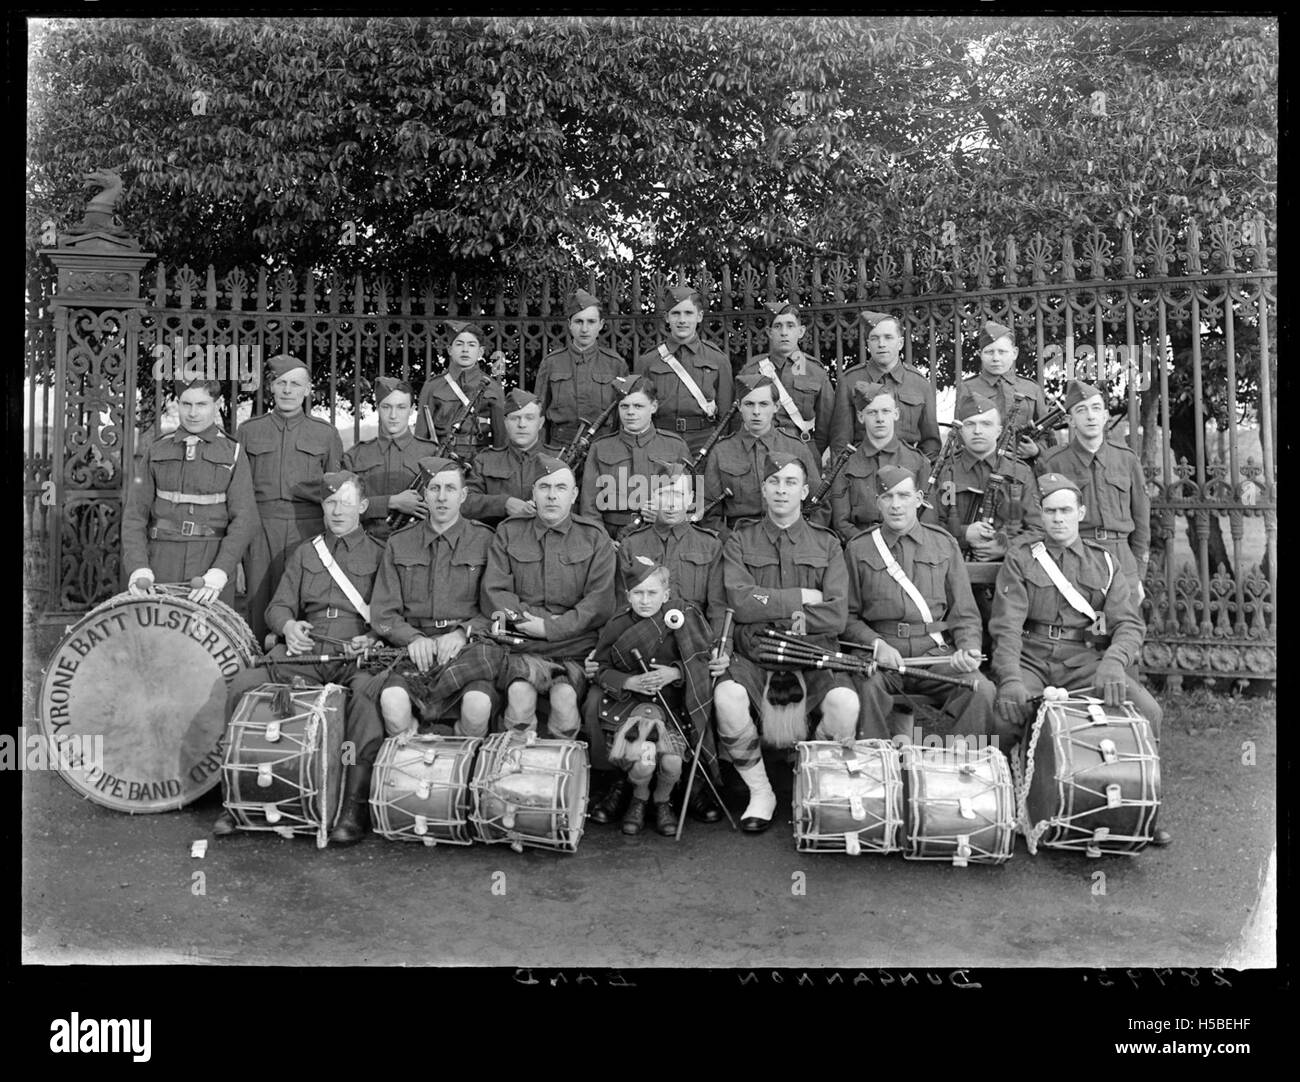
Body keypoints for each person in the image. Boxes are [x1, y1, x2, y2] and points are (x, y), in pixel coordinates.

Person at [987, 473, 1170, 845]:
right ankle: (1004, 808)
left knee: (1148, 712)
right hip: (1032, 657)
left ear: (1080, 512)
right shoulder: (1022, 559)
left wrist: (1114, 662)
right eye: (1051, 511)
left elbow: (1129, 625)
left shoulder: (1104, 562)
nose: (1058, 518)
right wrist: (1009, 678)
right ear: (1041, 513)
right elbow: (1006, 627)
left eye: (1066, 510)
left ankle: (1141, 811)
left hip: (1084, 661)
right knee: (1004, 716)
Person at [214, 471, 386, 845]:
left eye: (345, 501)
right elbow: (278, 607)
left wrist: (371, 638)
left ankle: (352, 808)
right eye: (329, 502)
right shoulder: (306, 552)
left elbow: (391, 615)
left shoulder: (381, 555)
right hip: (305, 654)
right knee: (244, 684)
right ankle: (235, 797)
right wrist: (289, 626)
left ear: (363, 506)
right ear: (321, 506)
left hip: (353, 655)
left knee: (368, 702)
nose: (337, 510)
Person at [712, 452, 860, 832]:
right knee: (727, 698)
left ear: (804, 491)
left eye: (790, 483)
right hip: (756, 653)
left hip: (813, 654)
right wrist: (800, 597)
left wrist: (772, 611)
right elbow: (739, 602)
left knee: (845, 704)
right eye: (774, 483)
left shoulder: (827, 544)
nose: (781, 490)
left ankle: (807, 780)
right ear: (763, 489)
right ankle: (761, 792)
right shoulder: (740, 541)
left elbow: (835, 615)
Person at [608, 460, 726, 822]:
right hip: (639, 651)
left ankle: (695, 784)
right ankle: (625, 783)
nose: (671, 502)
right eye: (663, 493)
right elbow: (619, 606)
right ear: (649, 497)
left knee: (708, 692)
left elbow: (719, 606)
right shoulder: (632, 543)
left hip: (692, 650)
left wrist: (722, 649)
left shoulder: (709, 545)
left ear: (692, 497)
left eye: (679, 494)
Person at [842, 466, 995, 744]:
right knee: (867, 686)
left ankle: (960, 771)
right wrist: (877, 644)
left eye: (903, 495)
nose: (896, 505)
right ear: (878, 502)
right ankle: (876, 768)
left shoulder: (943, 544)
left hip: (935, 654)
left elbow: (964, 613)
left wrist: (968, 647)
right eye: (887, 497)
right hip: (883, 657)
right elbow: (848, 616)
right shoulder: (859, 549)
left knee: (980, 689)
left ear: (919, 498)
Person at [482, 454, 617, 739]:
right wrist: (533, 623)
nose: (552, 496)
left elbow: (600, 602)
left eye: (560, 488)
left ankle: (558, 773)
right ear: (533, 492)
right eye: (544, 488)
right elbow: (495, 594)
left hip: (575, 647)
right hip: (521, 645)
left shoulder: (594, 538)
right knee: (519, 699)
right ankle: (514, 773)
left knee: (565, 702)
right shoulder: (509, 533)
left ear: (574, 494)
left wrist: (551, 628)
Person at [368, 456, 500, 741]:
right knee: (392, 704)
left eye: (450, 489)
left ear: (463, 495)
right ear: (424, 494)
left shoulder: (486, 541)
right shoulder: (399, 542)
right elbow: (383, 612)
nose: (442, 497)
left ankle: (461, 757)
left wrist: (463, 633)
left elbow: (496, 609)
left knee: (478, 708)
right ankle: (409, 758)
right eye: (434, 488)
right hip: (414, 649)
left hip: (466, 649)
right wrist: (412, 638)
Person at [588, 558, 718, 836]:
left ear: (666, 595)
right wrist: (629, 681)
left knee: (671, 762)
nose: (645, 601)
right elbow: (600, 669)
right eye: (637, 593)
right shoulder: (618, 624)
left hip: (673, 706)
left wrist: (676, 673)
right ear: (627, 596)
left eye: (652, 593)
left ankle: (664, 801)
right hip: (631, 707)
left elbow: (702, 661)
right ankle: (636, 797)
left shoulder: (684, 618)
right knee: (641, 762)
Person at [123, 378, 258, 607]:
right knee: (159, 636)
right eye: (186, 404)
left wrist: (221, 570)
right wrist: (138, 566)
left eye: (201, 404)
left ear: (217, 404)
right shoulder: (157, 449)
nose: (193, 413)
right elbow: (135, 515)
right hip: (162, 559)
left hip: (210, 559)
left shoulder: (233, 452)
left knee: (209, 637)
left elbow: (245, 519)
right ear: (178, 403)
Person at [238, 354, 343, 643]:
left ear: (308, 390)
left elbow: (335, 491)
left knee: (305, 597)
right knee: (258, 600)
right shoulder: (249, 431)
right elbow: (238, 492)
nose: (287, 390)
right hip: (260, 528)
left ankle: (299, 668)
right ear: (270, 387)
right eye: (281, 383)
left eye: (295, 384)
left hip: (307, 528)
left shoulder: (325, 434)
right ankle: (256, 664)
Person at [933, 391, 1042, 646]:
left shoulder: (1020, 473)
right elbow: (929, 526)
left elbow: (1038, 529)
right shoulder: (944, 470)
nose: (978, 430)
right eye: (970, 424)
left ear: (999, 430)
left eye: (986, 424)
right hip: (954, 581)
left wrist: (1003, 546)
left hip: (1007, 580)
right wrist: (963, 534)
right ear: (960, 430)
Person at [1036, 379, 1150, 598]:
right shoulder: (1054, 463)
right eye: (1081, 410)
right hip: (1076, 555)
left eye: (1096, 408)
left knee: (1126, 628)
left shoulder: (1126, 459)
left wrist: (1137, 573)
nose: (1090, 416)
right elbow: (1042, 521)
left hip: (1122, 557)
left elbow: (1142, 521)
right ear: (1070, 420)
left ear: (1105, 416)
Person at [702, 373, 823, 535]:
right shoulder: (721, 451)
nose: (756, 411)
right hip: (740, 542)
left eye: (764, 404)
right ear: (739, 406)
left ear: (776, 407)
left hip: (791, 539)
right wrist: (732, 545)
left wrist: (803, 539)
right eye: (749, 404)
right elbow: (708, 515)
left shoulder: (796, 448)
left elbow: (819, 506)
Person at [578, 375, 690, 538]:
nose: (630, 412)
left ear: (653, 407)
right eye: (624, 406)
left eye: (638, 406)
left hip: (662, 537)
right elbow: (589, 508)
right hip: (612, 537)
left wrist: (665, 518)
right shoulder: (600, 448)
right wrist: (604, 543)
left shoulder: (675, 447)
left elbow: (693, 502)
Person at [633, 285, 733, 453]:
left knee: (699, 481)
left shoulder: (717, 359)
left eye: (688, 313)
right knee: (662, 481)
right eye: (675, 313)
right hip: (659, 439)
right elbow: (637, 407)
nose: (682, 320)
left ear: (699, 316)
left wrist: (719, 446)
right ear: (666, 317)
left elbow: (727, 413)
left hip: (704, 441)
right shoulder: (648, 361)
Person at [828, 381, 931, 543]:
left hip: (908, 546)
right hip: (860, 548)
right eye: (872, 412)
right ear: (861, 417)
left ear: (896, 414)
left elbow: (927, 518)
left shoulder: (918, 461)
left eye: (885, 411)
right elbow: (841, 522)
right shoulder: (845, 463)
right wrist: (871, 545)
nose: (880, 418)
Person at [830, 310, 940, 462]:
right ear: (868, 344)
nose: (881, 344)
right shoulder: (850, 381)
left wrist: (919, 472)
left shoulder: (919, 384)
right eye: (875, 338)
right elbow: (840, 442)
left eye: (888, 337)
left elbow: (931, 442)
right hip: (862, 469)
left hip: (908, 470)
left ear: (900, 343)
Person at [343, 375, 439, 543]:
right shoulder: (356, 456)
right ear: (378, 408)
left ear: (411, 409)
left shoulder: (432, 453)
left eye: (401, 407)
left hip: (419, 547)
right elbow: (343, 507)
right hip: (368, 547)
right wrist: (391, 502)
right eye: (386, 407)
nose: (393, 415)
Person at [736, 299, 834, 456]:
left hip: (802, 451)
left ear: (800, 332)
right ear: (769, 332)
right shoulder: (752, 370)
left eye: (790, 326)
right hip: (760, 452)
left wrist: (812, 451)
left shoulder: (814, 371)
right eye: (777, 326)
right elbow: (739, 419)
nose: (784, 332)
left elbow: (827, 423)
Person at [533, 288, 628, 449]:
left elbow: (624, 415)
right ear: (569, 324)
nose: (584, 329)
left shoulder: (615, 364)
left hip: (604, 447)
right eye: (578, 322)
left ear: (601, 325)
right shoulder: (552, 363)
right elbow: (538, 413)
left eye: (591, 322)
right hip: (559, 447)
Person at [461, 388, 560, 528]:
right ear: (505, 422)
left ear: (541, 423)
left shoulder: (559, 459)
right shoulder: (484, 460)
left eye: (529, 418)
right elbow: (464, 501)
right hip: (497, 542)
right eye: (515, 418)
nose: (522, 424)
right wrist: (504, 504)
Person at [959, 320, 1054, 462]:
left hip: (1025, 469)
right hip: (983, 466)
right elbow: (960, 434)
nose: (996, 358)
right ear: (980, 354)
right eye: (989, 352)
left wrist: (1036, 449)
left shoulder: (1031, 388)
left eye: (1002, 352)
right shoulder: (968, 388)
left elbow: (1048, 436)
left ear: (1014, 353)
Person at [414, 321, 506, 459]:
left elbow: (501, 440)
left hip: (479, 460)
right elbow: (421, 437)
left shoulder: (493, 388)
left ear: (480, 351)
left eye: (471, 345)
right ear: (450, 350)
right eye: (459, 344)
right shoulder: (433, 386)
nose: (465, 349)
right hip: (442, 458)